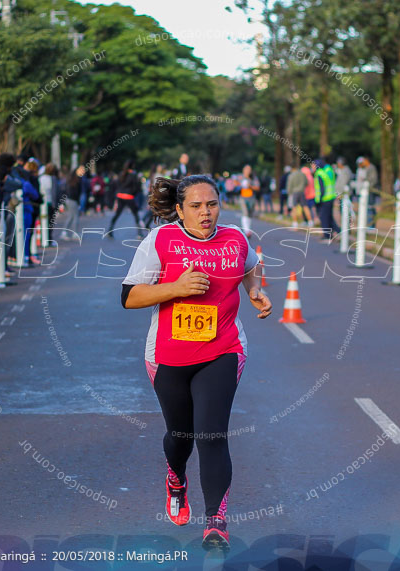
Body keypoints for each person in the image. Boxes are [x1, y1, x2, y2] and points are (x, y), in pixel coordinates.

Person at [121, 175, 272, 550]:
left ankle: (216, 523)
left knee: (212, 434)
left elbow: (250, 265)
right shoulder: (160, 240)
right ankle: (176, 476)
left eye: (212, 204)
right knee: (180, 436)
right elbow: (129, 296)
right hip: (168, 356)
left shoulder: (235, 237)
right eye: (196, 206)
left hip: (222, 349)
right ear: (179, 209)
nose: (206, 213)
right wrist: (176, 288)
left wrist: (254, 288)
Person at [107, 160, 143, 238]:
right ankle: (139, 233)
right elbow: (136, 187)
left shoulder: (121, 174)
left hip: (120, 196)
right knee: (135, 214)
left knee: (117, 214)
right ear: (132, 166)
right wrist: (133, 193)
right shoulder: (133, 175)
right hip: (129, 196)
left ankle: (110, 230)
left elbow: (117, 184)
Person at [313, 159, 339, 239]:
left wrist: (319, 200)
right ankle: (339, 231)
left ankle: (327, 235)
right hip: (331, 196)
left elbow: (321, 189)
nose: (312, 167)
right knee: (329, 217)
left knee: (324, 217)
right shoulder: (329, 170)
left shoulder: (319, 173)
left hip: (324, 198)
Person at [60, 166, 83, 241]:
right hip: (72, 200)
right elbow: (73, 192)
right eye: (81, 170)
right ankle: (73, 233)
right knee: (74, 217)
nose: (83, 171)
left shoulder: (74, 179)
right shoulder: (75, 180)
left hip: (71, 200)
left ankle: (65, 233)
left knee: (71, 217)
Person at [238, 165, 259, 237]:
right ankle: (246, 231)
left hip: (251, 198)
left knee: (250, 214)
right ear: (243, 170)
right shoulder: (240, 177)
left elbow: (257, 188)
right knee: (245, 213)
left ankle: (248, 230)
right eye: (246, 169)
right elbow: (235, 184)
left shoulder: (254, 178)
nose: (247, 171)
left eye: (249, 170)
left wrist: (250, 186)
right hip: (243, 197)